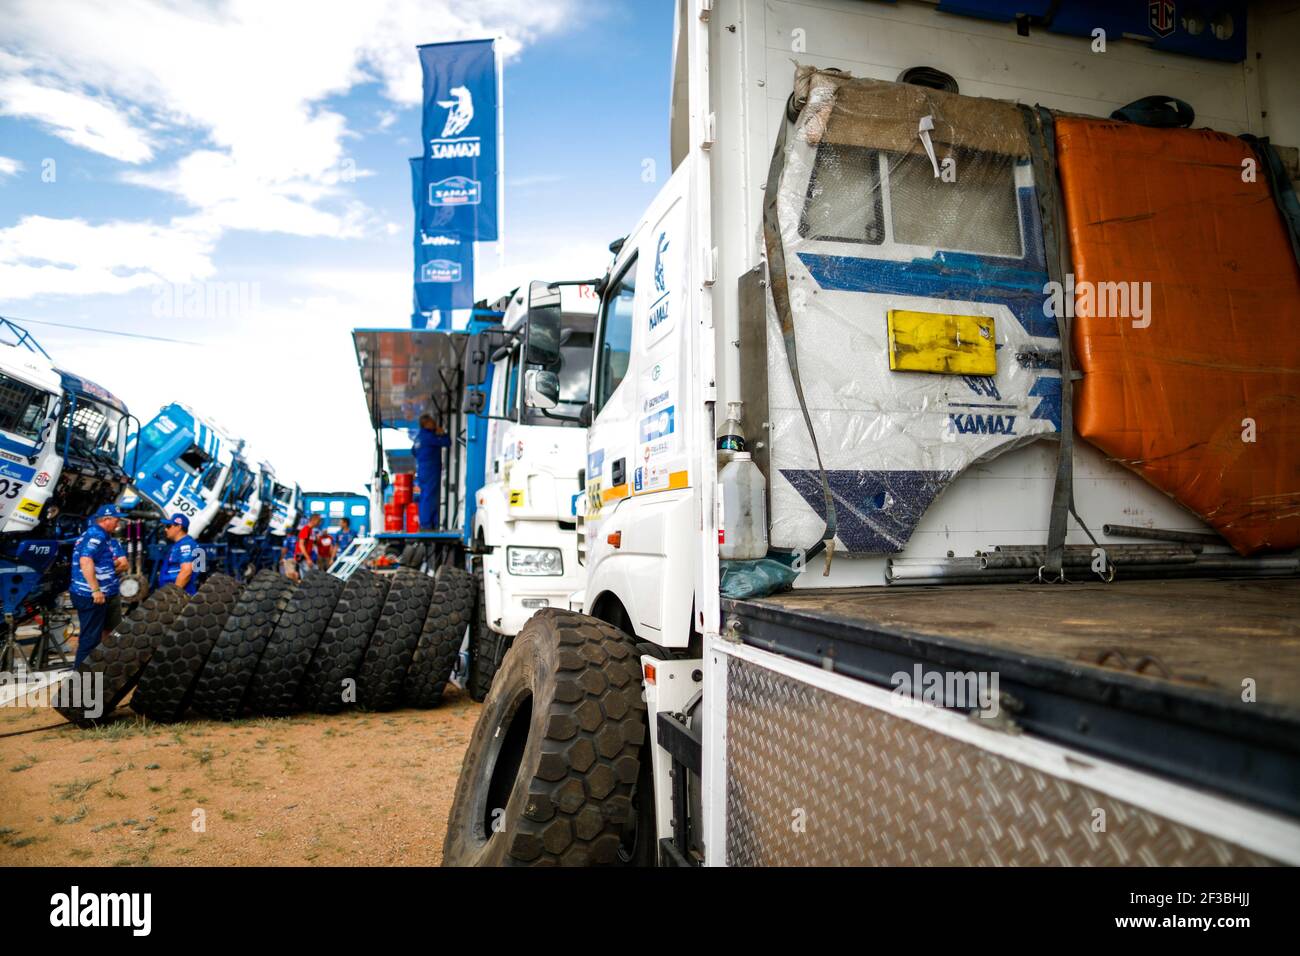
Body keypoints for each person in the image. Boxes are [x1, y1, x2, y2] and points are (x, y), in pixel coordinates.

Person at [70, 504, 124, 668]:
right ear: (106, 519)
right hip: (89, 595)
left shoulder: (104, 535)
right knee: (90, 640)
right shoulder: (96, 535)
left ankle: (95, 674)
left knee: (99, 636)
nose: (118, 524)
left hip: (100, 594)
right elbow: (85, 560)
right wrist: (95, 590)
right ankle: (80, 684)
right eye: (116, 520)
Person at [413, 413, 450, 530]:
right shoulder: (429, 437)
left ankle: (428, 522)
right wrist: (443, 433)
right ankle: (428, 524)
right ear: (426, 424)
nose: (434, 424)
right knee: (429, 496)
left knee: (426, 495)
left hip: (422, 469)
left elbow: (413, 451)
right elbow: (447, 442)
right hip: (431, 469)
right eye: (432, 422)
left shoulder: (419, 437)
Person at [157, 513, 199, 595]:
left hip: (182, 597)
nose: (166, 529)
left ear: (179, 527)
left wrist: (175, 595)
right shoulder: (179, 544)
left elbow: (186, 571)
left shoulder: (186, 545)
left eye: (169, 526)